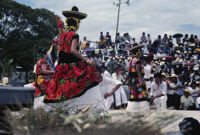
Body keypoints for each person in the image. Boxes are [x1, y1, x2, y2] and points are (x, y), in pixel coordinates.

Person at [45, 6, 101, 102]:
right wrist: (87, 60)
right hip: (71, 66)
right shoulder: (75, 35)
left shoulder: (62, 35)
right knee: (91, 70)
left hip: (61, 66)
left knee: (58, 90)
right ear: (77, 24)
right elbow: (73, 50)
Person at [126, 45, 149, 111]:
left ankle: (134, 109)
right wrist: (142, 81)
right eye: (140, 51)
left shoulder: (132, 60)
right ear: (138, 52)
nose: (141, 52)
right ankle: (142, 109)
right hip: (138, 80)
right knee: (141, 94)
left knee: (134, 94)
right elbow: (138, 70)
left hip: (133, 80)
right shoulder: (138, 60)